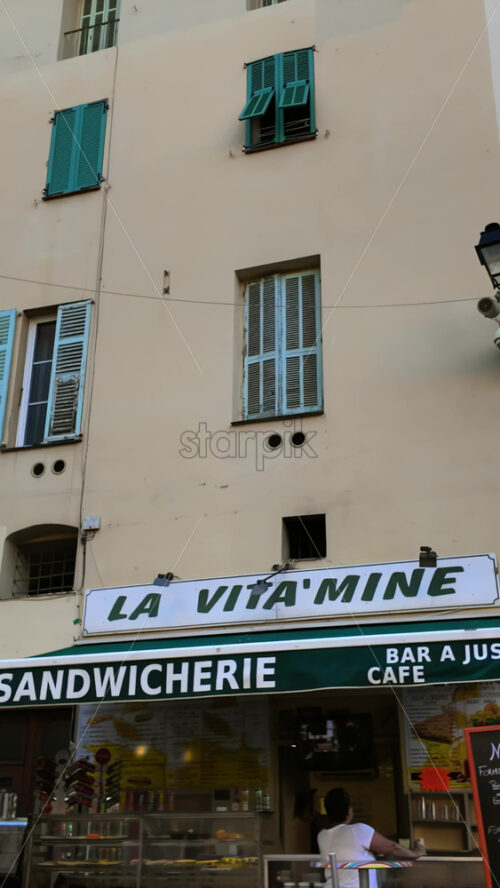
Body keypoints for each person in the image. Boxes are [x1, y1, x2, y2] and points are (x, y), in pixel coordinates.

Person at [317, 788, 425, 888]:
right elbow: (393, 848)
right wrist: (415, 854)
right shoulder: (357, 830)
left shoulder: (322, 836)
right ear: (349, 810)